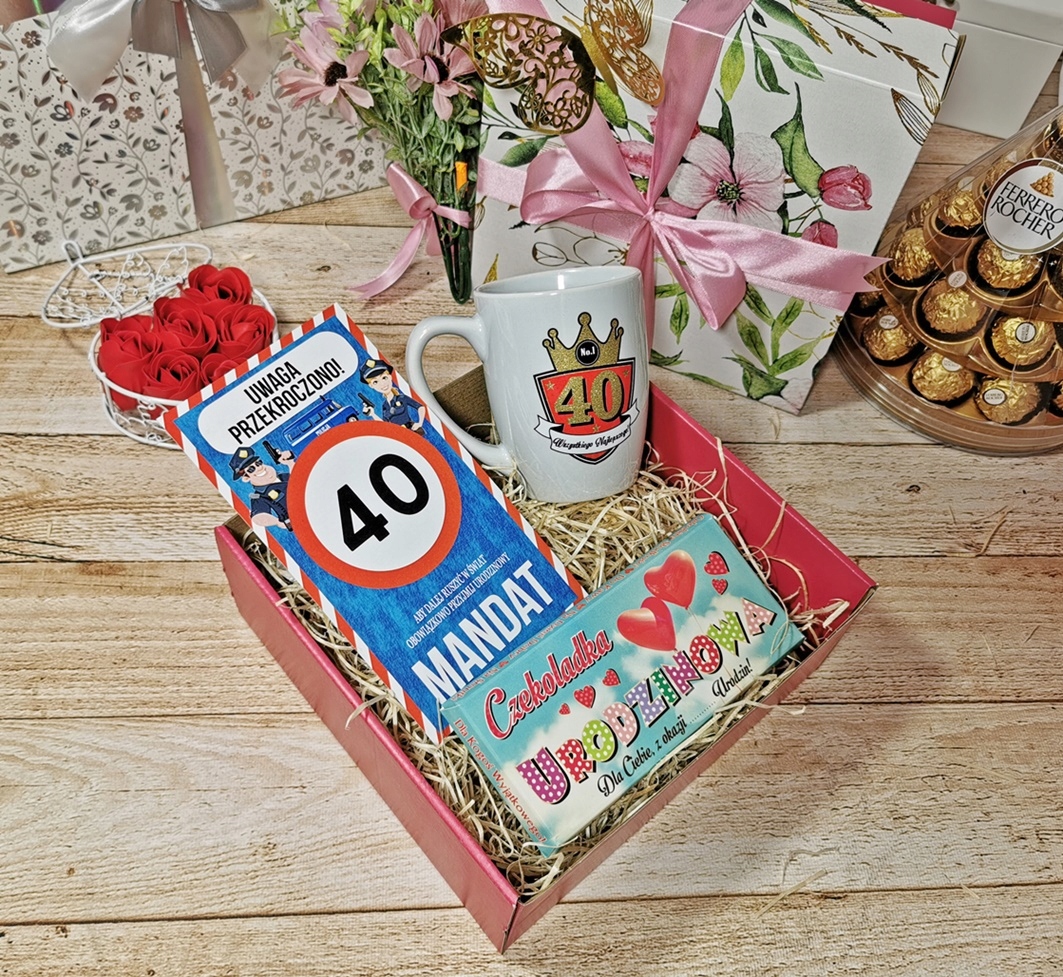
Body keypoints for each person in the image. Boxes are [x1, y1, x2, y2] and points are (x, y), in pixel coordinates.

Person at [229, 445, 295, 530]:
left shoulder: (283, 477)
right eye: (251, 469)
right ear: (246, 477)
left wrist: (290, 463)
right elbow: (258, 517)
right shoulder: (260, 496)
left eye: (258, 463)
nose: (259, 468)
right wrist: (277, 522)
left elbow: (300, 478)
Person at [359, 357, 425, 433]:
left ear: (390, 377)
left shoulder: (401, 397)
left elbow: (420, 407)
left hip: (412, 432)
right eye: (375, 382)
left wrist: (420, 423)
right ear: (371, 386)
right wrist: (372, 414)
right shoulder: (385, 406)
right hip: (399, 435)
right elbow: (384, 426)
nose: (382, 384)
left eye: (384, 378)